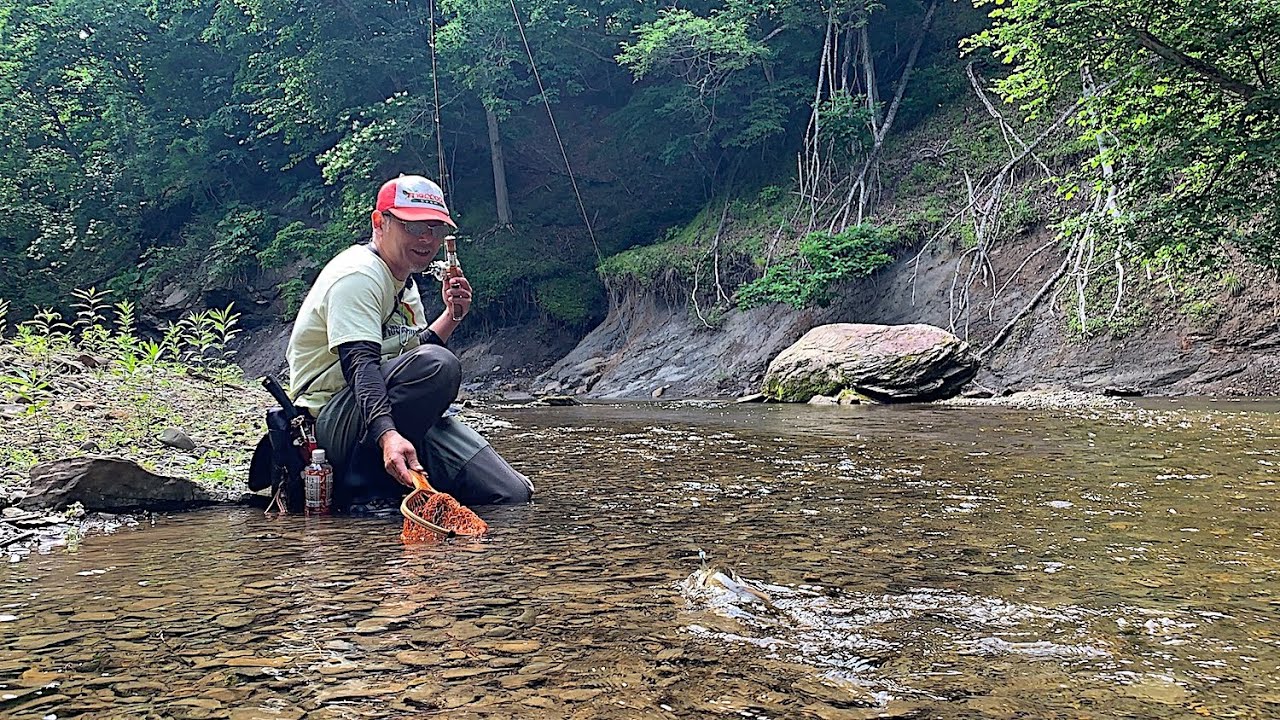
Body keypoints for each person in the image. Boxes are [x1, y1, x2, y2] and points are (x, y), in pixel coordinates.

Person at [285, 174, 533, 510]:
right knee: (439, 365)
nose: (427, 239)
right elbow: (361, 366)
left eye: (435, 228)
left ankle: (404, 482)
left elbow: (411, 359)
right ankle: (364, 491)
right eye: (413, 227)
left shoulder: (405, 282)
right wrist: (388, 436)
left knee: (510, 493)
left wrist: (452, 315)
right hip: (329, 423)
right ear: (379, 222)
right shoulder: (358, 276)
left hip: (381, 411)